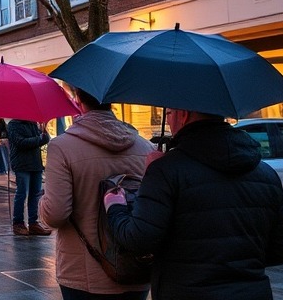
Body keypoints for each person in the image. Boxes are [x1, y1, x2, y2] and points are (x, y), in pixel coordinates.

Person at [104, 108, 283, 300]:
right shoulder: (266, 174)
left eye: (169, 114)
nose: (168, 120)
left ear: (183, 115)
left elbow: (138, 239)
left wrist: (115, 208)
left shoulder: (166, 171)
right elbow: (277, 249)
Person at [39, 88, 152, 299]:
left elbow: (55, 214)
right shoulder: (145, 147)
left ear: (78, 100)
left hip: (83, 273)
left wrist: (41, 203)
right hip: (135, 267)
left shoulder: (61, 147)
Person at [8, 118, 51, 236]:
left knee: (35, 194)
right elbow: (21, 142)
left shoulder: (33, 124)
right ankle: (18, 223)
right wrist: (40, 139)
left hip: (35, 164)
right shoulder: (14, 124)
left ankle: (33, 223)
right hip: (22, 164)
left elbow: (44, 140)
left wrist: (44, 132)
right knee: (22, 194)